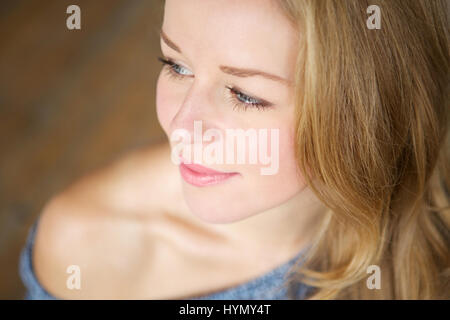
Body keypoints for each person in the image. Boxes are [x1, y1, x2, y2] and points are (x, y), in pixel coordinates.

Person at [19, 0, 449, 299]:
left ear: (371, 108)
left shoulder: (433, 212)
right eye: (175, 65)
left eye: (245, 95)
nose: (183, 128)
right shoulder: (90, 246)